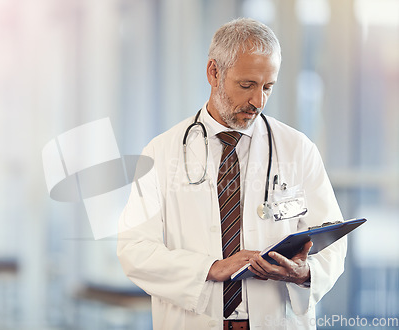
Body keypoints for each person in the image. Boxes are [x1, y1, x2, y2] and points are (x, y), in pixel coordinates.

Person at [117, 18, 346, 330]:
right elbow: (134, 249)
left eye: (268, 87)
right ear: (214, 72)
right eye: (247, 85)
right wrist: (210, 268)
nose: (258, 102)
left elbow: (332, 243)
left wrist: (304, 273)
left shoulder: (297, 149)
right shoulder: (161, 152)